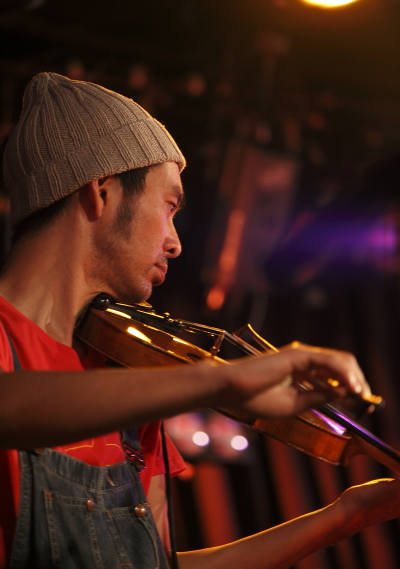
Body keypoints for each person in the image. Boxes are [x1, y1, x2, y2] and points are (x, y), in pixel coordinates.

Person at [0, 72, 399, 569]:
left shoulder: (123, 376)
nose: (175, 243)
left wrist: (347, 516)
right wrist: (218, 380)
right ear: (101, 191)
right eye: (168, 206)